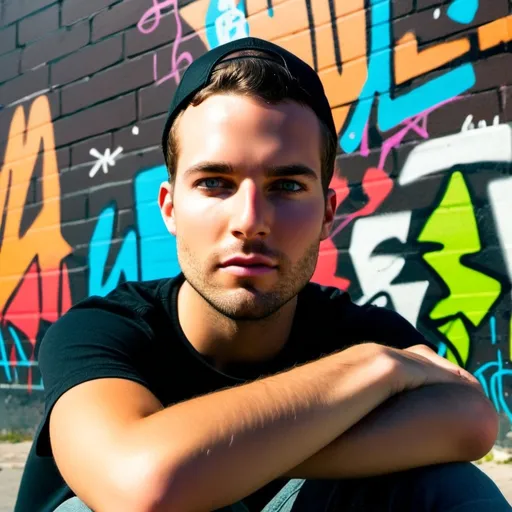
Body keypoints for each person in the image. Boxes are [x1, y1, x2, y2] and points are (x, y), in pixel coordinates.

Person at [15, 37, 510, 512]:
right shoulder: (103, 331)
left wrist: (210, 462)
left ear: (327, 213)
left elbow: (471, 421)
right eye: (214, 183)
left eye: (288, 185)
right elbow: (143, 485)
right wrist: (369, 370)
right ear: (169, 208)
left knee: (446, 485)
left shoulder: (358, 329)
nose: (250, 221)